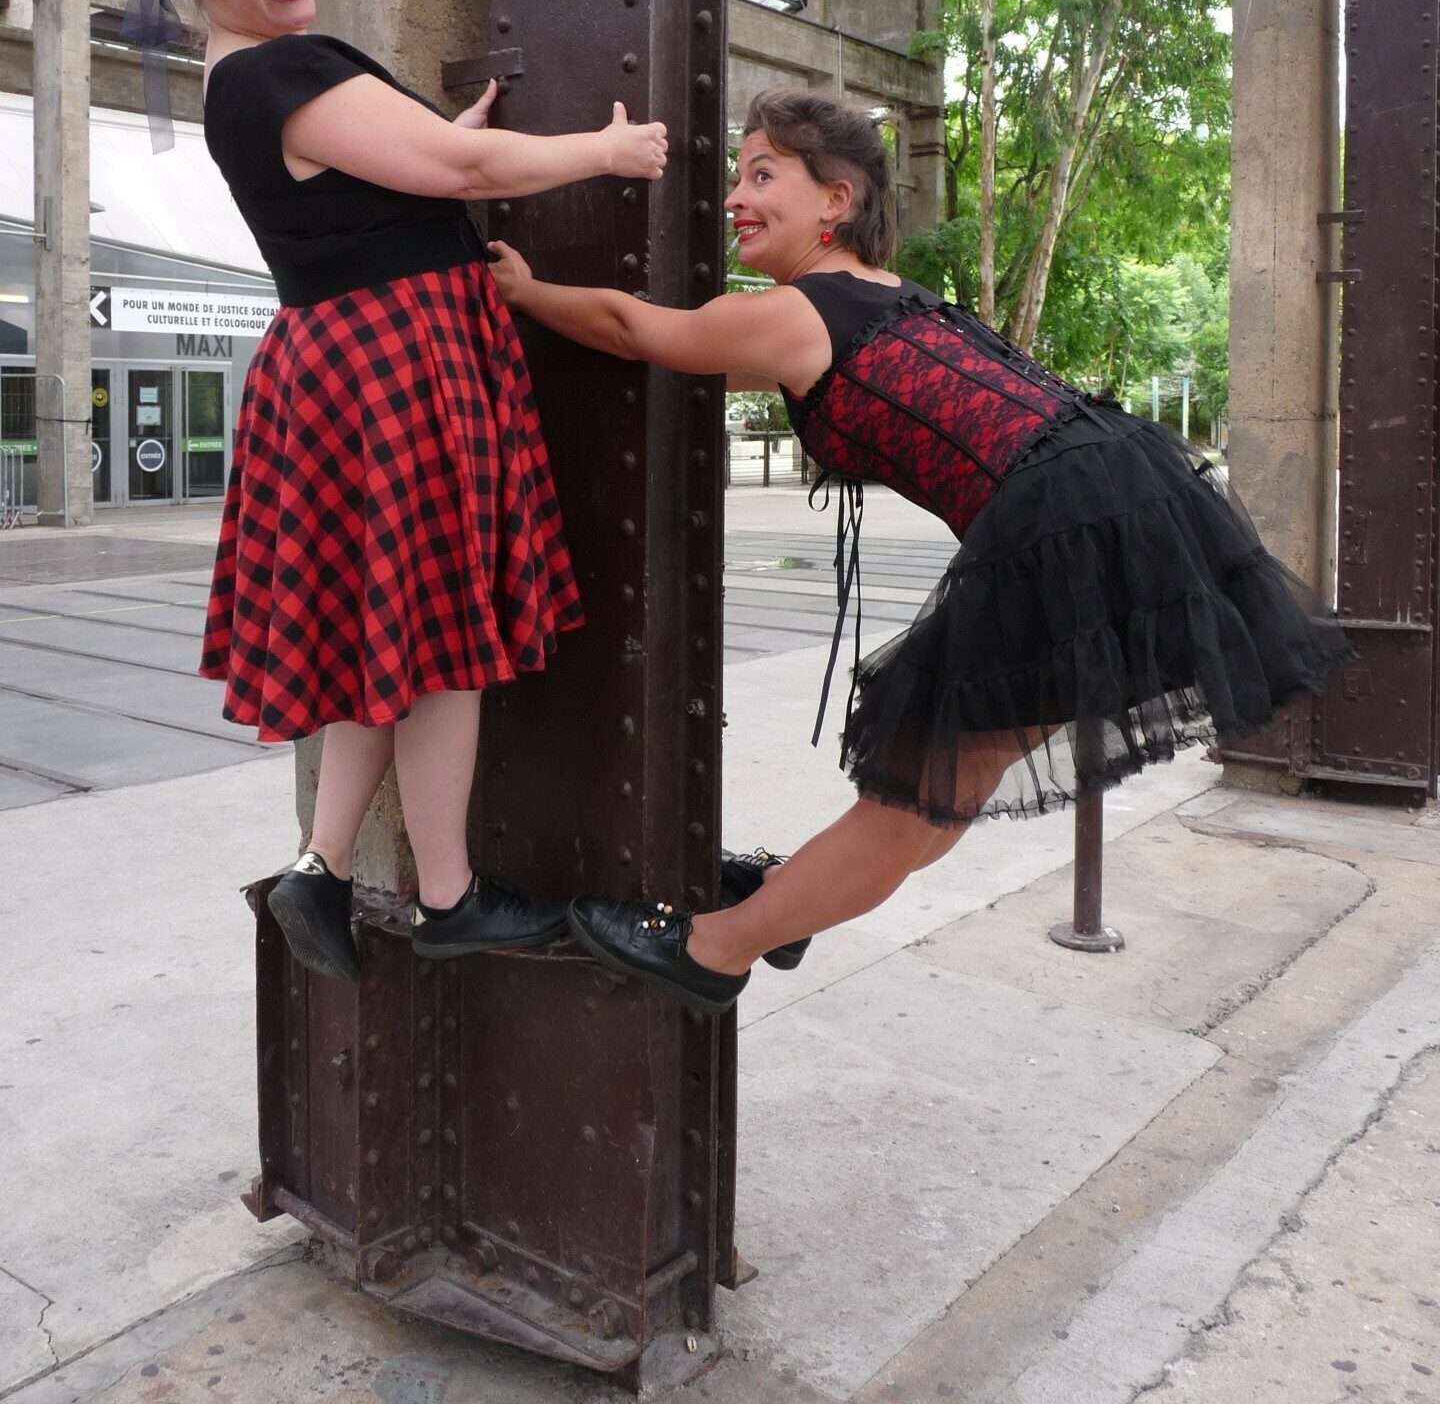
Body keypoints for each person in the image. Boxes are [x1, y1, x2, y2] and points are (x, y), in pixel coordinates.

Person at [488, 86, 1354, 1015]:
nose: (736, 197)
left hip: (1057, 510)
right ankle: (786, 903)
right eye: (738, 177)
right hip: (1126, 488)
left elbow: (634, 330)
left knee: (915, 795)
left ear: (837, 201)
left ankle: (713, 948)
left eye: (763, 175)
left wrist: (525, 291)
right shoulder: (891, 302)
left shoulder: (797, 312)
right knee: (948, 786)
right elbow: (688, 352)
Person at [123, 0, 667, 984]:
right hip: (391, 360)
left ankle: (319, 872)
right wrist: (611, 150)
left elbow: (404, 172)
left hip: (355, 356)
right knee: (437, 648)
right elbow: (466, 180)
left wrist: (440, 143)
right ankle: (452, 896)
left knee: (391, 638)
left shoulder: (252, 76)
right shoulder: (275, 72)